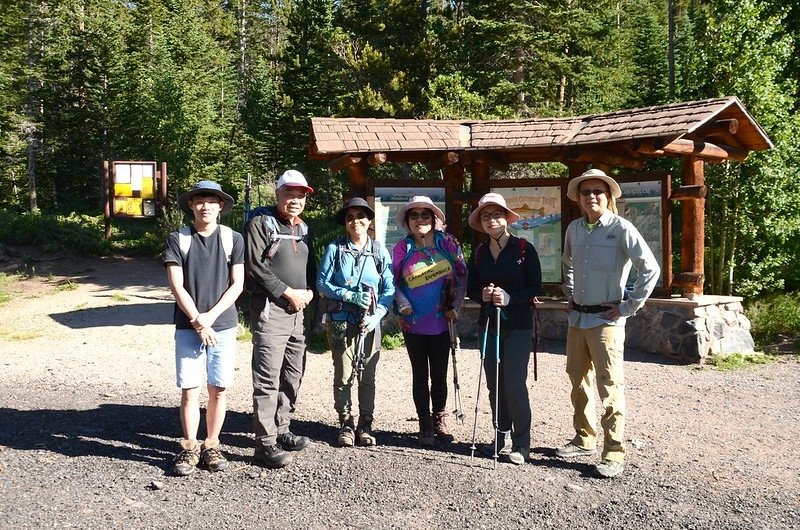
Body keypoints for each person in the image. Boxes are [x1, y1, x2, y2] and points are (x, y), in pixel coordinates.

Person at [557, 168, 660, 479]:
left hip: (606, 322)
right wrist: (570, 293)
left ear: (609, 196)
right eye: (585, 191)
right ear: (578, 198)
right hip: (578, 318)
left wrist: (628, 307)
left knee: (610, 386)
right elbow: (567, 264)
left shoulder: (621, 228)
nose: (591, 196)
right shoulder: (574, 228)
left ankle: (613, 452)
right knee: (578, 383)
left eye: (597, 191)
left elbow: (649, 269)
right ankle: (583, 438)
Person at [163, 180, 244, 476]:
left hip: (222, 325)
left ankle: (212, 443)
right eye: (199, 201)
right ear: (191, 206)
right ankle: (189, 447)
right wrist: (198, 320)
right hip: (188, 326)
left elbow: (238, 284)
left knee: (218, 388)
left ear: (221, 206)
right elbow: (176, 285)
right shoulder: (178, 239)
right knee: (190, 390)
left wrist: (209, 318)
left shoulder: (233, 238)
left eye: (212, 201)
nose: (205, 206)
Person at [245, 169, 316, 469]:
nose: (295, 199)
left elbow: (309, 267)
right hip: (270, 310)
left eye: (300, 195)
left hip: (298, 312)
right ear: (277, 193)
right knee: (267, 377)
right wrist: (287, 293)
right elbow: (255, 267)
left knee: (292, 373)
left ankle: (282, 429)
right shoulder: (261, 223)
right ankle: (264, 444)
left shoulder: (304, 228)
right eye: (290, 193)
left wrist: (310, 293)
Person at [467, 192, 542, 465]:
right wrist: (483, 295)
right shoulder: (479, 253)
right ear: (481, 222)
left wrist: (511, 298)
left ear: (506, 218)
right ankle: (501, 435)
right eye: (486, 216)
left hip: (518, 326)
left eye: (496, 214)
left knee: (514, 384)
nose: (492, 220)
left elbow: (535, 286)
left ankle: (522, 444)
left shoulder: (524, 249)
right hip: (488, 324)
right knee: (493, 385)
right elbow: (472, 289)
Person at [316, 198, 394, 447]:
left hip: (369, 322)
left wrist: (377, 315)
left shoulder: (379, 252)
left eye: (361, 216)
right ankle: (346, 424)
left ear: (369, 220)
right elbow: (321, 284)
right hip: (340, 320)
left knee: (368, 374)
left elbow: (389, 288)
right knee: (343, 373)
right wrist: (347, 295)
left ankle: (366, 425)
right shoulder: (334, 249)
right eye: (350, 217)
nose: (355, 221)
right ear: (345, 223)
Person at [392, 196, 467, 447]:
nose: (420, 219)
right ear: (407, 221)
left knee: (440, 373)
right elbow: (391, 282)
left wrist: (456, 307)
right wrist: (402, 303)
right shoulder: (402, 248)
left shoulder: (447, 243)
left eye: (426, 215)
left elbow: (463, 275)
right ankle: (424, 421)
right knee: (419, 373)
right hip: (412, 321)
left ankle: (440, 419)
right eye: (415, 215)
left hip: (442, 320)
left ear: (434, 219)